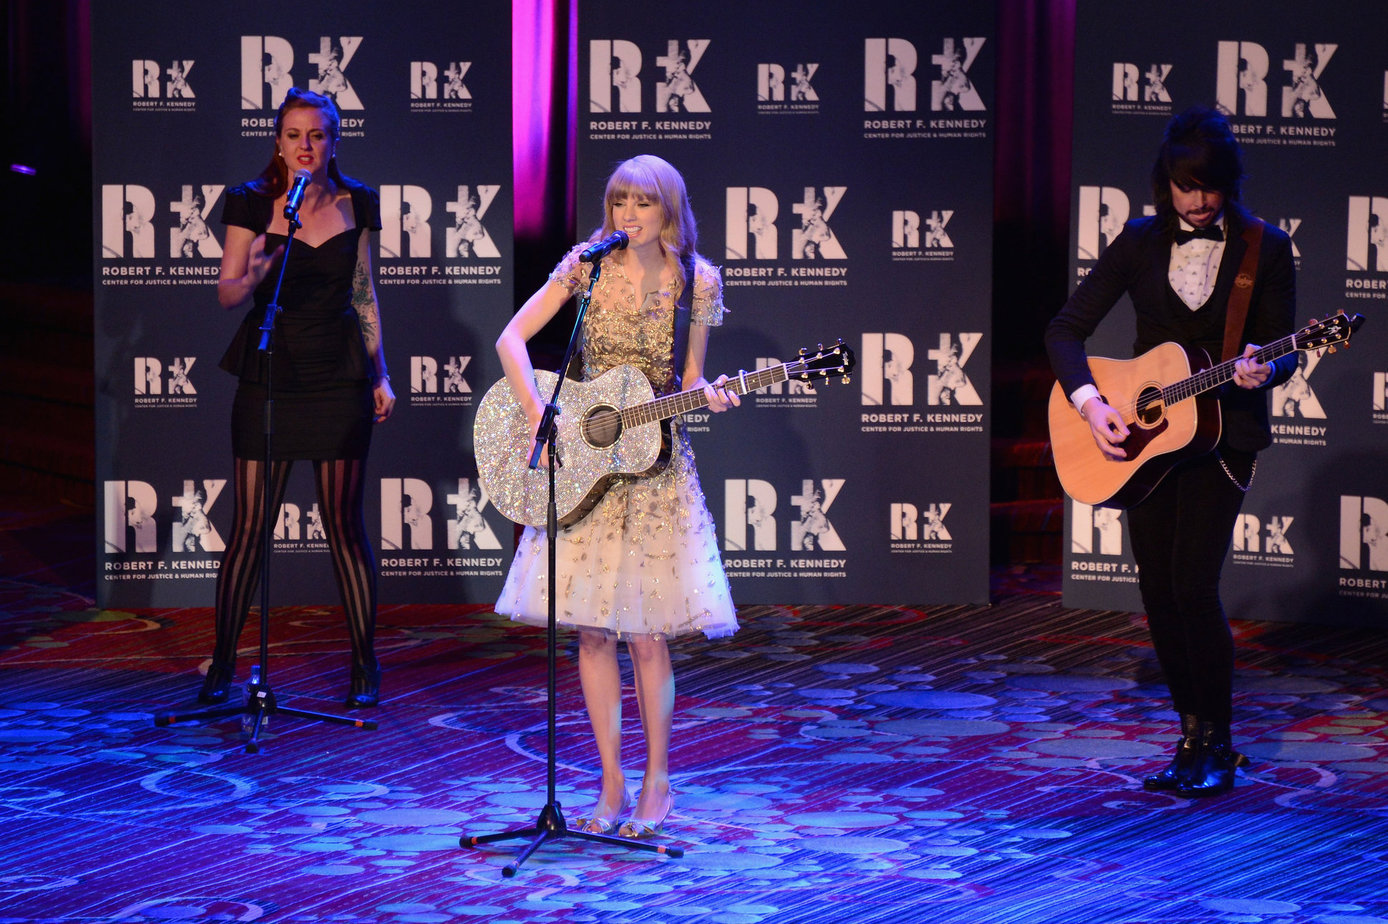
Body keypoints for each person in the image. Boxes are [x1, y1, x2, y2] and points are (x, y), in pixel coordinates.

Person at [1044, 106, 1295, 797]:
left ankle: (1218, 742)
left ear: (1229, 183)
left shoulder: (1266, 248)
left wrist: (1267, 368)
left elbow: (1284, 351)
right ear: (1167, 184)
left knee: (1192, 585)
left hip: (1223, 436)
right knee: (1157, 589)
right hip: (1147, 438)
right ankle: (1189, 735)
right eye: (1186, 187)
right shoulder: (1138, 241)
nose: (1199, 201)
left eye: (1210, 187)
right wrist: (1093, 404)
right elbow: (1064, 331)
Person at [493, 154, 740, 838]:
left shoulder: (698, 279)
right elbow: (511, 338)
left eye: (643, 203)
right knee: (592, 631)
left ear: (670, 210)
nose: (629, 215)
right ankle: (610, 783)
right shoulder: (586, 265)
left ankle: (658, 782)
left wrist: (711, 395)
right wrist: (540, 413)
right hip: (586, 467)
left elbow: (691, 379)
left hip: (655, 470)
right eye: (619, 202)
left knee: (646, 634)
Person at [198, 88, 395, 709]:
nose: (305, 146)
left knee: (344, 525)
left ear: (334, 140)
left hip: (338, 373)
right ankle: (222, 664)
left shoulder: (359, 201)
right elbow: (228, 292)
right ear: (278, 143)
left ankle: (364, 664)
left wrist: (381, 374)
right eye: (293, 135)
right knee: (250, 528)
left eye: (316, 134)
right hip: (271, 371)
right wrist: (255, 273)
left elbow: (363, 293)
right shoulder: (251, 201)